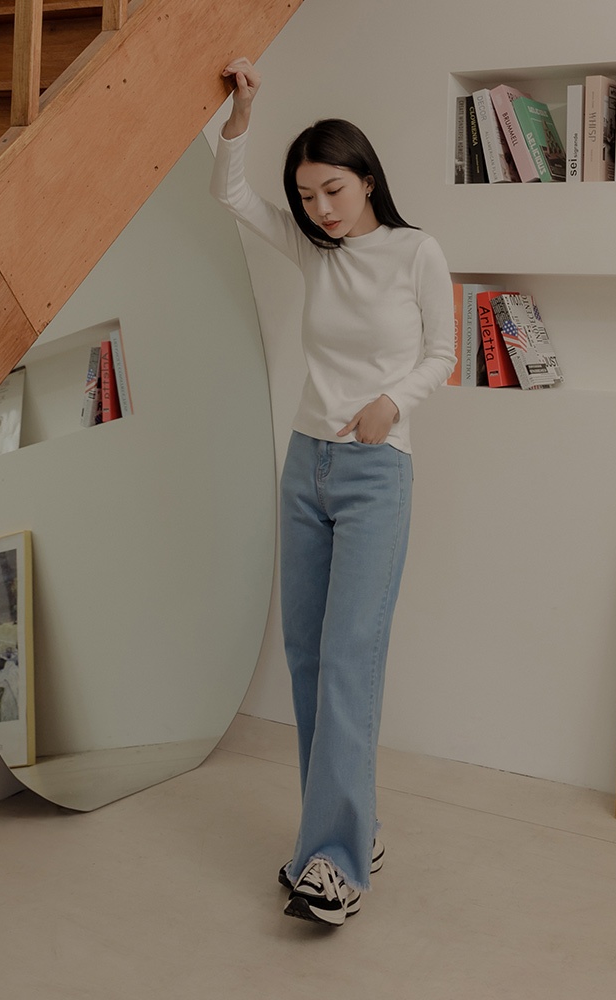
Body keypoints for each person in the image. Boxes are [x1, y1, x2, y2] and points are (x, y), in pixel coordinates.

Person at [210, 57, 456, 926]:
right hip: (305, 465)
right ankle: (358, 828)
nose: (320, 208)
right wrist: (243, 115)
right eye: (308, 195)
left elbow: (443, 353)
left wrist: (393, 402)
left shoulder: (417, 252)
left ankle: (333, 863)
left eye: (334, 190)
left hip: (376, 473)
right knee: (310, 659)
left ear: (368, 179)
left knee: (351, 658)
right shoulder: (313, 251)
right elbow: (231, 195)